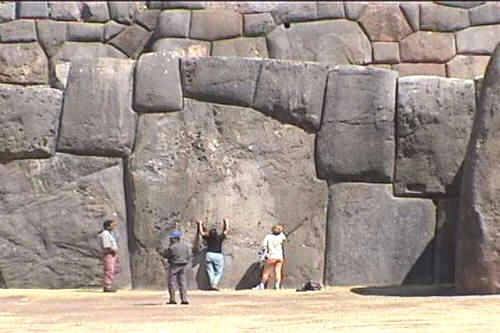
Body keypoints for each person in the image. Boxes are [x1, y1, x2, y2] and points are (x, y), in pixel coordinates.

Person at [197, 218, 229, 291]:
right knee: (219, 271)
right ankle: (214, 284)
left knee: (210, 271)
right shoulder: (219, 238)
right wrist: (226, 221)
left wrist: (199, 224)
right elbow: (226, 230)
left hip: (209, 255)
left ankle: (212, 284)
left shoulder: (207, 238)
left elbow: (201, 233)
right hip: (218, 255)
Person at [160, 230, 191, 305]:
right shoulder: (185, 246)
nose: (170, 240)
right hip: (183, 265)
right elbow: (188, 256)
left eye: (171, 238)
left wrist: (160, 252)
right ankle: (184, 299)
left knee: (172, 282)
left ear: (175, 238)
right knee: (182, 282)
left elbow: (166, 255)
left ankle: (172, 299)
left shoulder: (172, 247)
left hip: (174, 265)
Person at [254, 224, 286, 290]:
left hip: (271, 256)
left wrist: (264, 254)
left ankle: (262, 285)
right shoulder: (281, 236)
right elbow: (284, 239)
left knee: (266, 272)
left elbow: (264, 246)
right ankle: (277, 285)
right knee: (278, 271)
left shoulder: (268, 237)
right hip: (280, 257)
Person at [99, 219, 119, 293]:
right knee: (109, 270)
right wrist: (113, 250)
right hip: (108, 253)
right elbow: (106, 245)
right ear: (107, 226)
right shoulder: (105, 233)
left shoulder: (111, 233)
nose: (114, 226)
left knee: (113, 269)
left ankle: (109, 285)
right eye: (112, 225)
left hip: (112, 253)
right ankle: (107, 286)